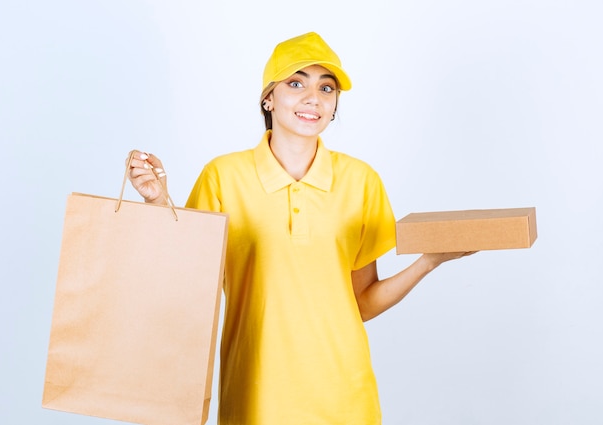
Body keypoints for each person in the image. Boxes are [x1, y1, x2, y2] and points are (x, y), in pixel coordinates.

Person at [128, 32, 473, 425]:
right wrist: (158, 204)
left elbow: (362, 302)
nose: (314, 98)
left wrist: (429, 262)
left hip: (344, 395)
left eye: (326, 88)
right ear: (268, 98)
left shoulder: (361, 181)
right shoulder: (223, 176)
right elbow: (186, 285)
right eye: (296, 83)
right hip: (255, 392)